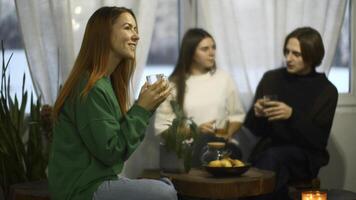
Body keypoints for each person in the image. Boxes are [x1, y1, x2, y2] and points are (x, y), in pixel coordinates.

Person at [48, 7, 177, 200]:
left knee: (165, 187)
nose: (136, 36)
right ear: (104, 34)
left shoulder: (105, 83)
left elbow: (116, 143)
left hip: (98, 181)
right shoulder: (90, 87)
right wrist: (142, 109)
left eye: (136, 29)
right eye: (128, 28)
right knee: (166, 192)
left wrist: (145, 108)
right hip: (81, 190)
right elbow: (112, 152)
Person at [244, 27, 338, 200]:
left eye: (296, 54)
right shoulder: (271, 79)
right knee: (268, 164)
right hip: (269, 152)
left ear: (312, 56)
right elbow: (254, 129)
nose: (288, 58)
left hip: (304, 157)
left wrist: (292, 116)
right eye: (287, 52)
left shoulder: (327, 90)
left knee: (272, 160)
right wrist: (256, 114)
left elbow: (318, 140)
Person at [154, 28, 245, 167]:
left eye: (213, 47)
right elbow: (163, 129)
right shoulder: (173, 85)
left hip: (222, 146)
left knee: (228, 152)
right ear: (191, 53)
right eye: (205, 49)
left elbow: (237, 116)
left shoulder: (223, 78)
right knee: (205, 143)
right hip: (188, 149)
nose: (212, 53)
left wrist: (227, 134)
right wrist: (195, 130)